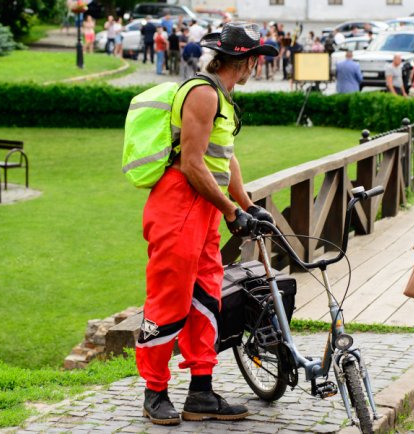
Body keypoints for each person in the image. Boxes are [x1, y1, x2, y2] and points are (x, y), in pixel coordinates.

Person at [136, 21, 279, 426]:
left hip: (202, 210)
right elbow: (192, 164)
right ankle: (155, 391)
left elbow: (224, 157)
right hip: (178, 205)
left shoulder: (222, 95)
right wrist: (234, 213)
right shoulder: (201, 93)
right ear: (246, 59)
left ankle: (201, 393)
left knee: (206, 297)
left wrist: (247, 203)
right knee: (168, 299)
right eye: (256, 59)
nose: (257, 67)